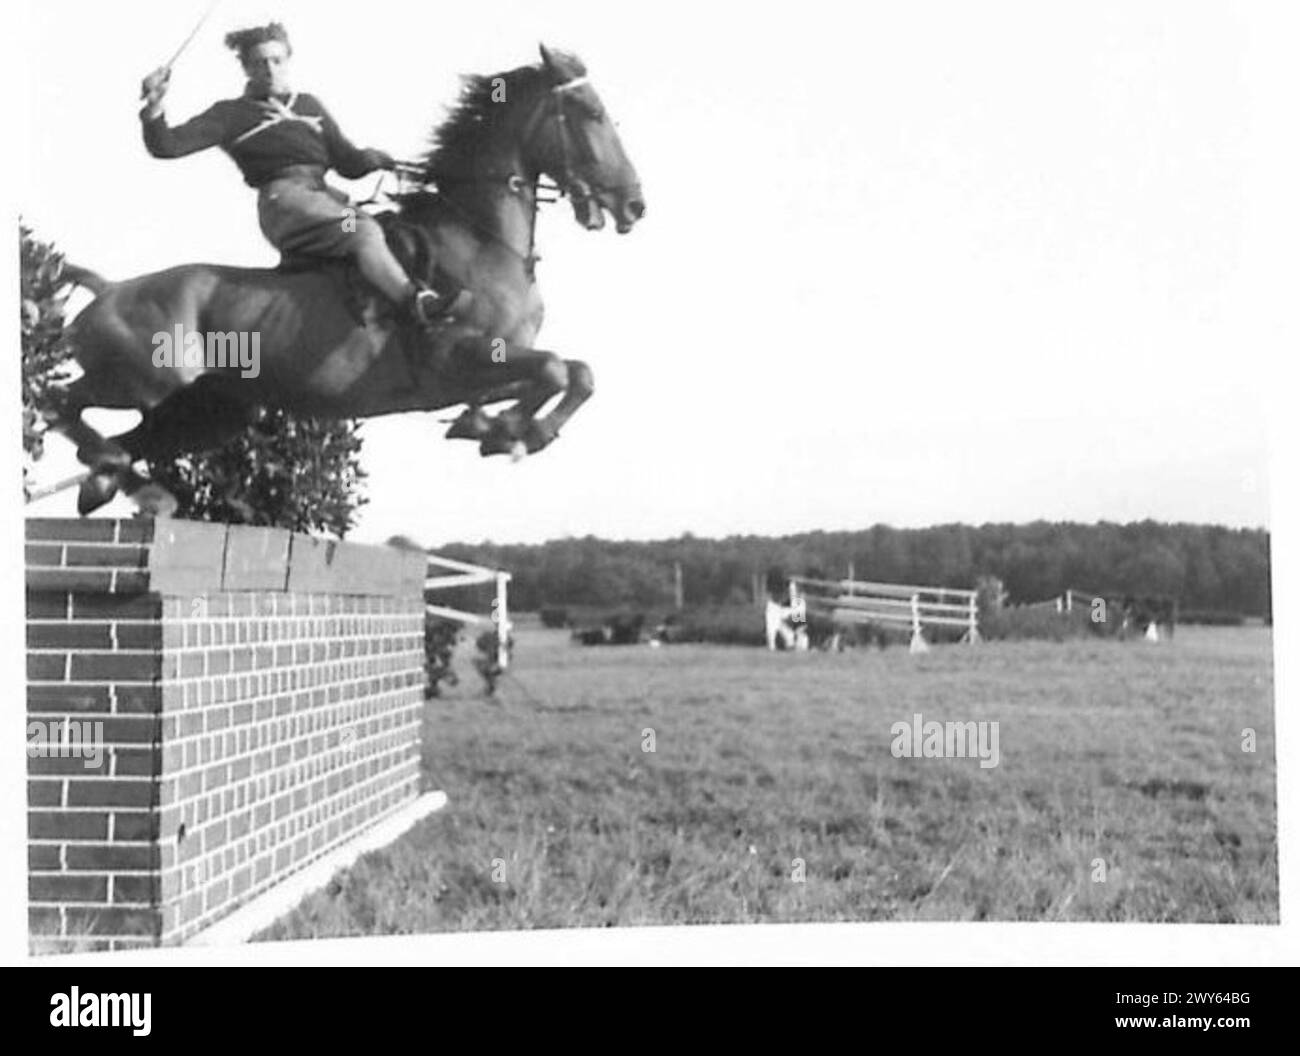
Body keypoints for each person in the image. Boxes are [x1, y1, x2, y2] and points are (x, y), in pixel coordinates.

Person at [139, 22, 454, 338]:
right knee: (362, 231)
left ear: (288, 61)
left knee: (394, 233)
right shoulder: (230, 114)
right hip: (286, 203)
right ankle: (414, 303)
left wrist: (373, 158)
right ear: (247, 68)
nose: (270, 70)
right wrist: (154, 106)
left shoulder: (309, 105)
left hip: (324, 198)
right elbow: (167, 146)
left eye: (277, 60)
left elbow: (347, 162)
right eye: (260, 63)